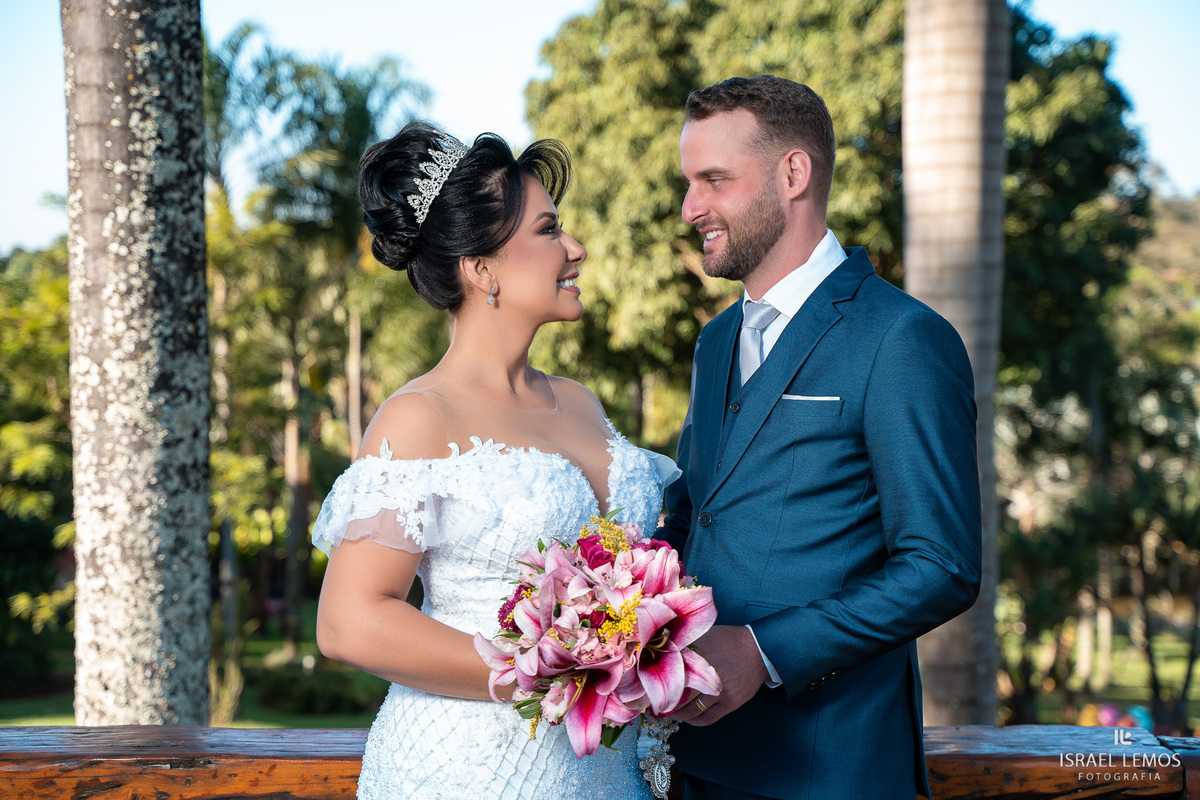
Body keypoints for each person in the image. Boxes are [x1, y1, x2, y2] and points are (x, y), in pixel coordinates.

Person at [313, 121, 677, 800]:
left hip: (603, 769)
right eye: (548, 231)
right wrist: (546, 670)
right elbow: (349, 621)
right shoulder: (420, 416)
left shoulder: (581, 404)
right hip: (467, 771)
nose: (576, 248)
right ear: (481, 269)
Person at [659, 76, 983, 799]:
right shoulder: (715, 344)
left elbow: (942, 565)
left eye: (713, 181)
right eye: (689, 184)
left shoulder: (901, 337)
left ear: (793, 174)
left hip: (831, 769)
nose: (690, 209)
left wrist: (763, 651)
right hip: (695, 759)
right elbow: (698, 515)